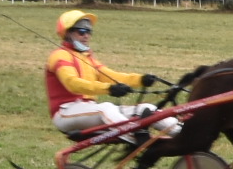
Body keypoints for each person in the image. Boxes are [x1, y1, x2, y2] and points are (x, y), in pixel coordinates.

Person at [41, 8, 173, 137]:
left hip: (89, 109)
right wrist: (109, 89)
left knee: (147, 108)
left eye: (89, 31)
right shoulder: (60, 55)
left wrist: (141, 79)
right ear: (68, 34)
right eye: (81, 31)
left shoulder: (87, 58)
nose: (86, 36)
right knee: (106, 108)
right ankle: (135, 135)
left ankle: (181, 133)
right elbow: (72, 83)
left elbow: (111, 76)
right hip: (65, 112)